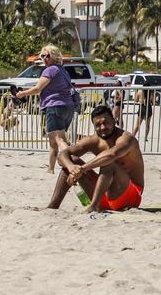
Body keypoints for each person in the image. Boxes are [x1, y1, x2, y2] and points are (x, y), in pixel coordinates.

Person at [47, 104, 145, 213]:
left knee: (109, 162)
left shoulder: (126, 138)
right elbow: (62, 155)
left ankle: (93, 206)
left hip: (130, 197)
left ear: (113, 120)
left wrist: (82, 168)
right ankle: (52, 206)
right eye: (98, 124)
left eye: (106, 122)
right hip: (103, 197)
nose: (103, 127)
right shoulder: (94, 140)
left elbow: (112, 154)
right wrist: (72, 168)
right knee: (72, 160)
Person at [14, 45, 78, 174]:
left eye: (47, 55)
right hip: (68, 107)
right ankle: (51, 169)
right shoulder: (63, 71)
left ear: (54, 56)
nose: (44, 58)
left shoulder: (49, 70)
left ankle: (72, 164)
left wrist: (21, 94)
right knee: (55, 140)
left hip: (54, 106)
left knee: (57, 140)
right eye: (42, 56)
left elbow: (38, 89)